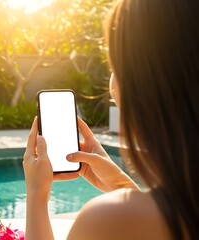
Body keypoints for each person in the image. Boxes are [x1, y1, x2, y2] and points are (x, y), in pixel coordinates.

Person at [23, 0, 198, 239]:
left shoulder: (108, 220)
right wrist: (122, 188)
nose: (112, 82)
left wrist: (36, 194)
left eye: (115, 65)